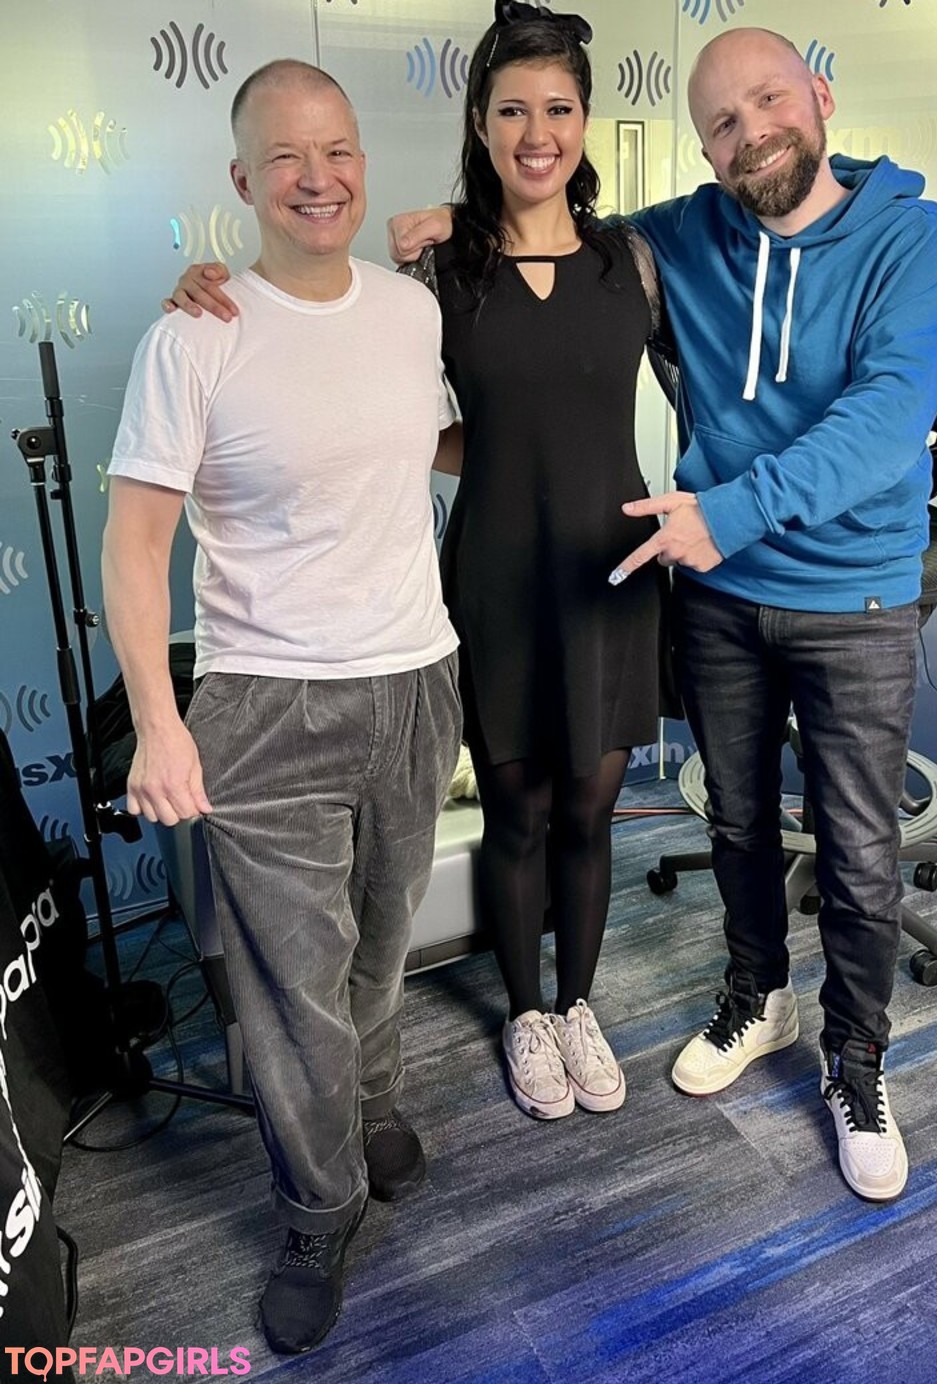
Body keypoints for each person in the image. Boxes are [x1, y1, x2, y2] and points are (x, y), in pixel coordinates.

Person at [390, 22, 937, 1202]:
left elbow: (883, 420)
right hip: (713, 592)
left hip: (849, 594)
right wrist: (456, 221)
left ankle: (857, 1065)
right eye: (723, 122)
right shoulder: (677, 240)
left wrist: (727, 512)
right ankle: (758, 996)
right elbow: (541, 256)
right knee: (737, 823)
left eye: (770, 102)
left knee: (858, 851)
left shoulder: (910, 237)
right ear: (703, 146)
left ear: (820, 95)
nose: (753, 133)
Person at [165, 4, 675, 1125]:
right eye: (512, 111)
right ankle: (527, 1013)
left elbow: (715, 397)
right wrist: (213, 288)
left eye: (558, 108)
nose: (537, 132)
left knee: (593, 811)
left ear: (585, 121)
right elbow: (335, 345)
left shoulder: (633, 263)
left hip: (612, 579)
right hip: (495, 580)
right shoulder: (441, 269)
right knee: (517, 813)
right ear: (480, 125)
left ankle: (579, 1004)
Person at [101, 59, 462, 1355]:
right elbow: (134, 545)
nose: (320, 178)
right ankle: (319, 1207)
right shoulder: (194, 332)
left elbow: (438, 443)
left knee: (381, 942)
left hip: (415, 677)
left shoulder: (411, 313)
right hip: (265, 703)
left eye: (339, 150)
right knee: (293, 986)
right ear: (244, 179)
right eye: (289, 157)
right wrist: (160, 721)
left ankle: (368, 1104)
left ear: (362, 160)